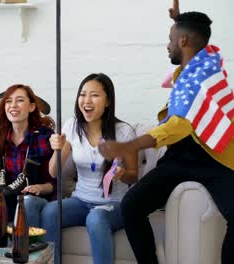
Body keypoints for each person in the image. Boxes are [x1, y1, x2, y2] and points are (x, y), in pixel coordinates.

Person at [98, 5, 234, 264]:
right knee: (131, 206)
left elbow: (177, 125)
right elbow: (193, 40)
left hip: (215, 159)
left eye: (171, 39)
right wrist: (178, 21)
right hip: (179, 158)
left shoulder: (200, 76)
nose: (167, 45)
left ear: (183, 40)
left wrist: (130, 146)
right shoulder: (204, 60)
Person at [41, 73, 138, 264]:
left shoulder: (124, 131)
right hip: (81, 201)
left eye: (94, 95)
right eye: (83, 94)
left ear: (108, 101)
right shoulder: (72, 127)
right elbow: (54, 172)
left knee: (96, 218)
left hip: (114, 204)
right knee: (50, 212)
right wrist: (56, 149)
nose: (87, 100)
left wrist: (122, 174)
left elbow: (134, 176)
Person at [0, 84, 56, 236]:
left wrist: (40, 187)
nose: (13, 105)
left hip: (34, 200)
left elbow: (53, 182)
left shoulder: (44, 136)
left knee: (27, 202)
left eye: (20, 100)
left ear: (32, 107)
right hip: (3, 199)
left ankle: (26, 254)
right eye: (8, 101)